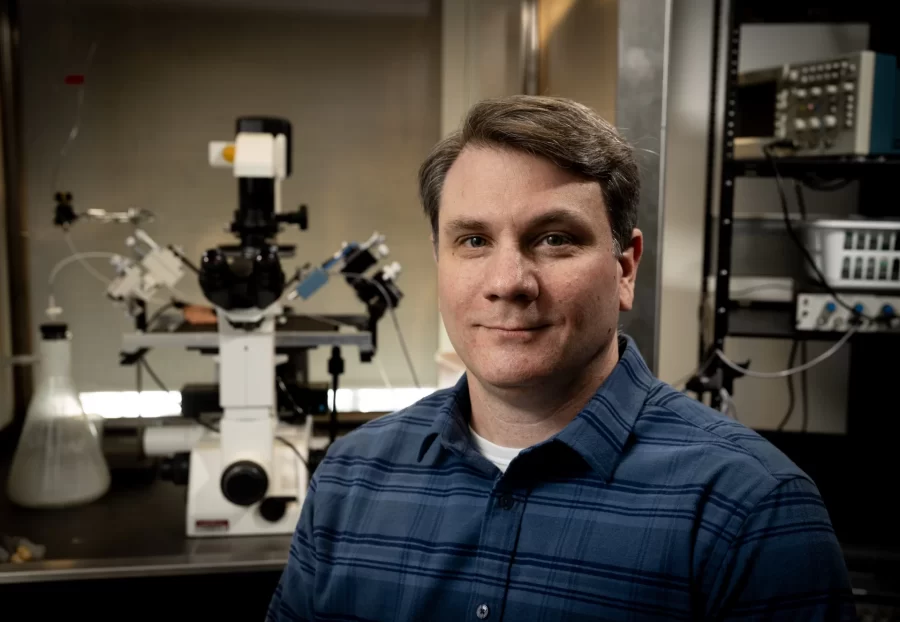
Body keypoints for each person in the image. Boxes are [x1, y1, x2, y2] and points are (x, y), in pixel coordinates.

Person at [267, 95, 855, 620]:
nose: (508, 282)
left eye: (554, 239)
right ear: (439, 259)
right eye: (473, 241)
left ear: (625, 268)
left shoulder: (751, 510)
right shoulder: (351, 478)